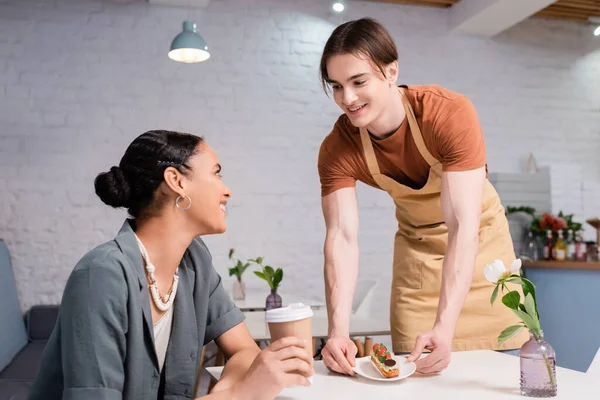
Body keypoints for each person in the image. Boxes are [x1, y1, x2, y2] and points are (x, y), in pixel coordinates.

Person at [29, 130, 313, 399]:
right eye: (216, 173)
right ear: (176, 181)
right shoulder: (100, 277)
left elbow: (244, 350)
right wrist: (242, 393)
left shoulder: (195, 262)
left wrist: (225, 394)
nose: (227, 190)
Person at [317, 18, 527, 376]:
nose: (347, 99)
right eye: (336, 86)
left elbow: (462, 225)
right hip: (418, 262)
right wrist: (338, 332)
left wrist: (445, 325)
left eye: (358, 81)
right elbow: (341, 238)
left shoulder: (447, 114)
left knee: (496, 384)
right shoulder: (338, 148)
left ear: (391, 71)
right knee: (415, 383)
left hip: (482, 258)